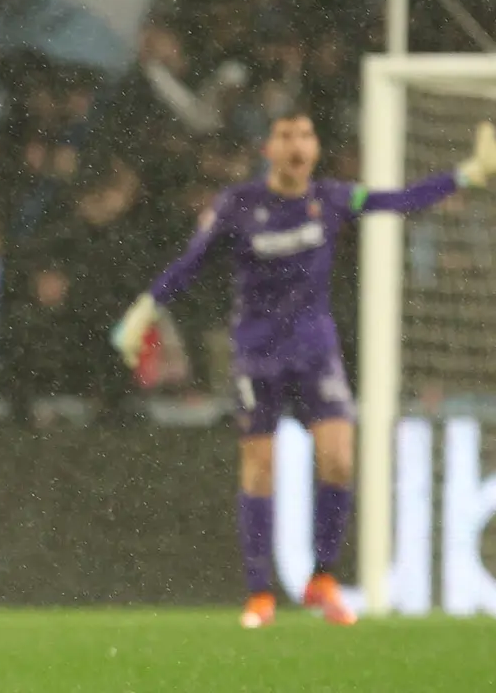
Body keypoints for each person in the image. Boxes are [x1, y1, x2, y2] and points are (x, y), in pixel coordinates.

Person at [113, 112, 496, 629]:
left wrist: (465, 174)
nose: (297, 144)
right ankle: (259, 594)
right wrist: (144, 310)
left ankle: (322, 578)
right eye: (286, 136)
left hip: (315, 351)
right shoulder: (238, 205)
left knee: (339, 459)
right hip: (256, 355)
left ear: (314, 149)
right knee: (260, 467)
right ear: (267, 148)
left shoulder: (335, 198)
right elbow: (190, 264)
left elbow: (399, 200)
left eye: (306, 135)